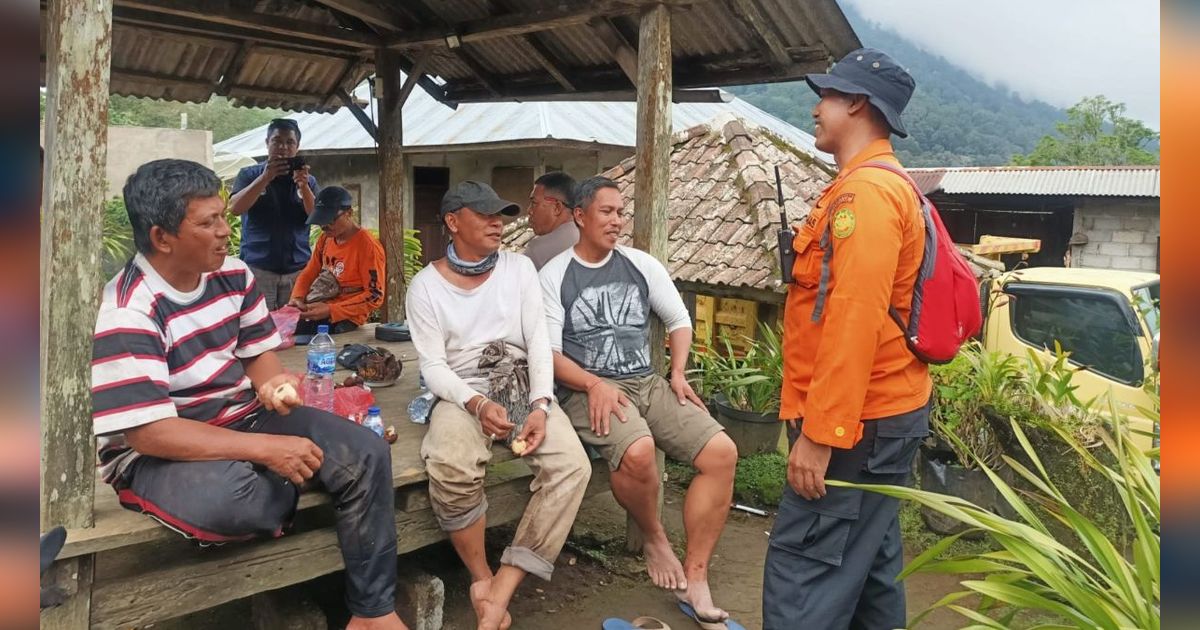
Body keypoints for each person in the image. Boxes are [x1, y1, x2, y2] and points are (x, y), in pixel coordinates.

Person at [91, 159, 406, 630]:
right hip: (158, 449)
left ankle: (373, 612)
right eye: (208, 222)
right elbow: (148, 433)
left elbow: (259, 358)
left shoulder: (234, 275)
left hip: (241, 416)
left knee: (365, 451)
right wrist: (266, 449)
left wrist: (273, 383)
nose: (225, 230)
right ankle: (270, 480)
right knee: (235, 499)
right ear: (162, 238)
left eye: (223, 216)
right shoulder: (127, 309)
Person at [762, 48, 931, 630]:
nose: (816, 107)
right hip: (883, 416)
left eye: (827, 96)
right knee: (868, 572)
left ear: (857, 104)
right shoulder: (873, 186)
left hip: (858, 427)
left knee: (804, 574)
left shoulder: (867, 196)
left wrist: (821, 432)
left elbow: (853, 317)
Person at [539, 176, 738, 626]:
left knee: (722, 453)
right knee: (639, 450)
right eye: (606, 212)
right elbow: (549, 355)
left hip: (647, 382)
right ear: (580, 216)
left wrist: (679, 371)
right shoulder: (554, 276)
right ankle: (654, 537)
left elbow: (679, 319)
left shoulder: (640, 264)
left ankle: (697, 575)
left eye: (620, 212)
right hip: (586, 389)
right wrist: (593, 384)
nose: (616, 221)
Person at [406, 180, 592, 630]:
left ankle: (501, 591)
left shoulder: (518, 268)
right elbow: (432, 366)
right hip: (461, 389)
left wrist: (541, 405)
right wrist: (473, 403)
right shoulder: (425, 287)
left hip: (522, 380)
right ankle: (480, 577)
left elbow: (539, 341)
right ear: (453, 222)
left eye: (502, 214)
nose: (498, 223)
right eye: (485, 214)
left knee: (572, 467)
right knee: (451, 464)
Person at [229, 118, 319, 310]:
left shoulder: (307, 180)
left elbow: (316, 216)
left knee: (295, 326)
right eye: (276, 141)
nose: (283, 147)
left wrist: (303, 186)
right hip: (258, 268)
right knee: (258, 327)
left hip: (298, 269)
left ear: (297, 147)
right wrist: (265, 178)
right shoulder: (249, 174)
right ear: (267, 143)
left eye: (289, 142)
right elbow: (234, 208)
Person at [286, 186, 385, 335]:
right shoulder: (326, 238)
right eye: (321, 222)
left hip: (348, 317)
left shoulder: (367, 245)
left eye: (330, 220)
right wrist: (297, 298)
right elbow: (310, 271)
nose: (325, 227)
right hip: (323, 304)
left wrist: (331, 310)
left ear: (348, 213)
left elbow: (374, 296)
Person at [523, 171, 579, 270]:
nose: (529, 210)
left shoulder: (539, 249)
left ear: (557, 207)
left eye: (534, 203)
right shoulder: (594, 241)